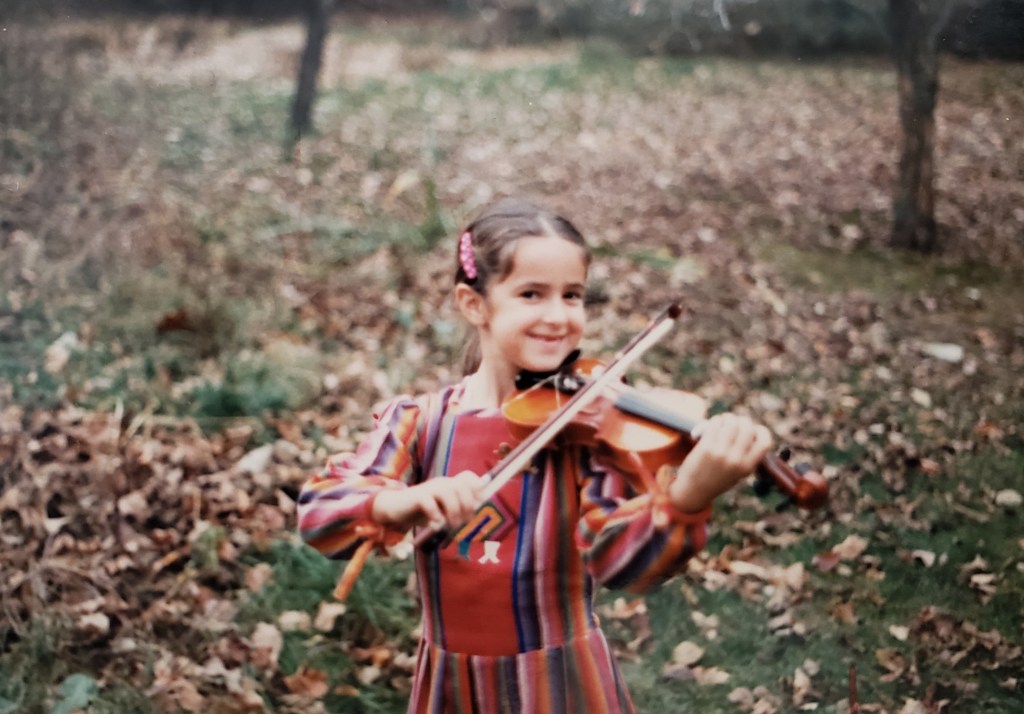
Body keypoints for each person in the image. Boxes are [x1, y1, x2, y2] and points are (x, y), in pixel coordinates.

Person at [297, 197, 773, 713]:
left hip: (562, 686)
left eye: (573, 296)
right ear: (473, 303)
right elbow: (322, 515)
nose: (558, 316)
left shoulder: (586, 429)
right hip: (451, 688)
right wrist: (401, 503)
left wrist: (688, 496)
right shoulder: (419, 422)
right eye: (531, 294)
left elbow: (622, 563)